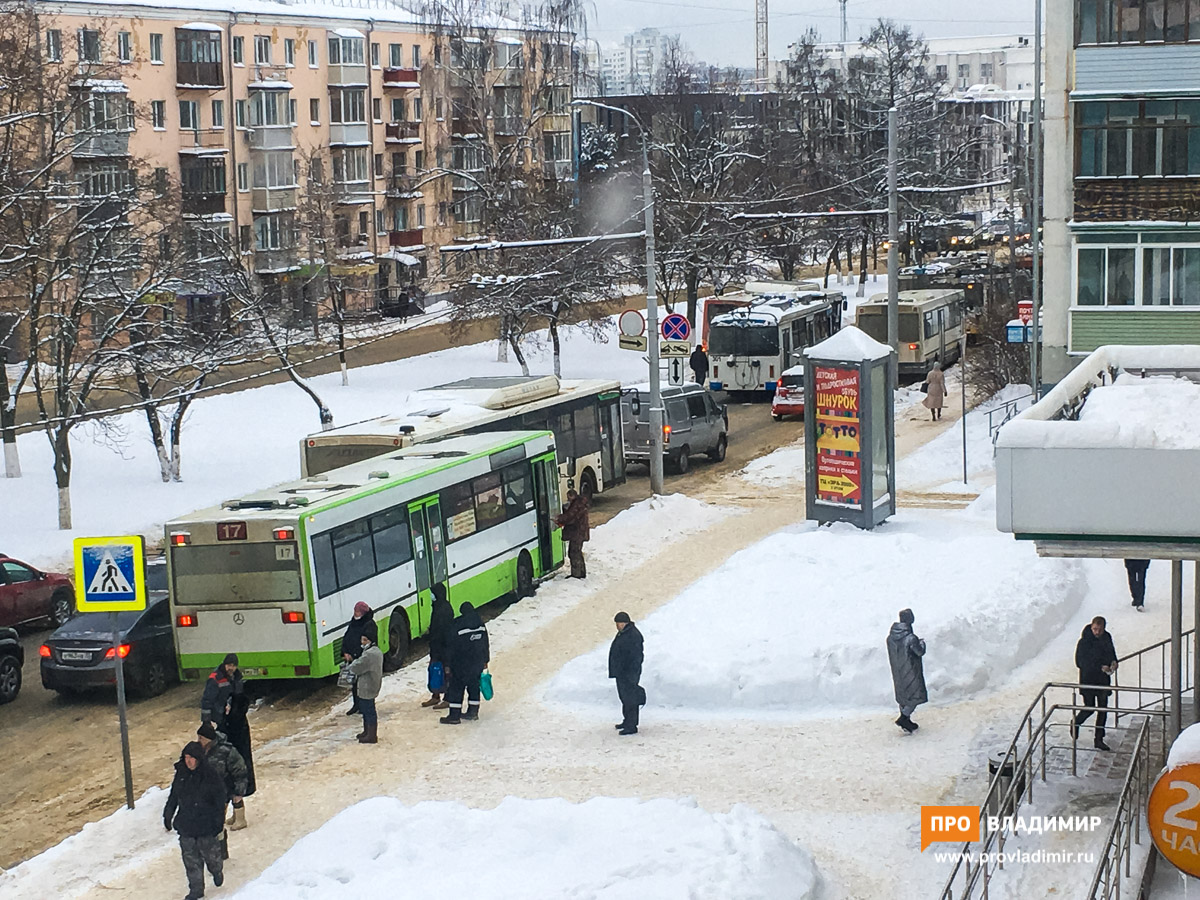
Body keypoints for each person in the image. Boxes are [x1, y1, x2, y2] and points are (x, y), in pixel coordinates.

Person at [163, 741, 227, 900]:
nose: (188, 761)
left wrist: (218, 823)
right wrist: (168, 813)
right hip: (187, 825)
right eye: (186, 757)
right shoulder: (181, 775)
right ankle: (196, 889)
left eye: (192, 758)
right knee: (191, 861)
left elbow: (219, 800)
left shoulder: (211, 775)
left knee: (211, 857)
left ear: (199, 759)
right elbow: (174, 796)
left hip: (206, 826)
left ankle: (216, 870)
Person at [1072, 616, 1118, 752]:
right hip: (1088, 679)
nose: (1097, 632)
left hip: (1103, 680)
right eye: (1095, 629)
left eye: (1099, 629)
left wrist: (1114, 662)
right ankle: (1076, 722)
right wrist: (1099, 666)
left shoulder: (1106, 638)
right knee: (1090, 707)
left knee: (1103, 709)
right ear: (1091, 627)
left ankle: (1099, 739)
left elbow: (1111, 653)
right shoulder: (1084, 641)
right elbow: (1080, 662)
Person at [440, 601, 489, 725]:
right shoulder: (481, 624)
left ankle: (454, 717)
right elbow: (485, 644)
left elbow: (451, 647)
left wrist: (448, 664)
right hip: (477, 663)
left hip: (461, 663)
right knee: (474, 687)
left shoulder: (458, 625)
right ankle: (473, 712)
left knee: (456, 689)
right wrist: (485, 660)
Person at [196, 722, 248, 836]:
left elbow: (239, 769)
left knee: (235, 798)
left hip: (229, 781)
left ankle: (240, 819)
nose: (199, 740)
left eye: (201, 738)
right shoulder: (201, 750)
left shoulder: (226, 750)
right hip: (216, 783)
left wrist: (240, 789)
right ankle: (226, 819)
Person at [887, 608, 928, 734]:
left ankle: (906, 719)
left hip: (898, 671)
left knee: (903, 696)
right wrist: (922, 643)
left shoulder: (891, 637)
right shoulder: (910, 638)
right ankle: (904, 718)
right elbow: (919, 652)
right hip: (911, 671)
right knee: (913, 696)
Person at [343, 631, 384, 744]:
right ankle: (367, 732)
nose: (362, 642)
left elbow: (357, 667)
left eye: (365, 640)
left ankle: (371, 735)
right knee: (368, 709)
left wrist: (351, 664)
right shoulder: (376, 651)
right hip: (373, 683)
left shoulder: (369, 654)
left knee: (368, 710)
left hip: (367, 685)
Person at [222, 693, 256, 828]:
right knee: (232, 785)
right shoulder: (234, 720)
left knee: (236, 787)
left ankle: (240, 818)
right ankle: (237, 815)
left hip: (237, 759)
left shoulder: (236, 722)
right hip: (236, 757)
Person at [609, 611, 645, 736]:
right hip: (622, 672)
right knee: (624, 698)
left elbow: (636, 657)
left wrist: (631, 673)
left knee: (630, 698)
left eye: (619, 623)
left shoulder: (633, 635)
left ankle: (632, 725)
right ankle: (627, 721)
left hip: (629, 673)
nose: (617, 626)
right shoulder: (624, 633)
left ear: (624, 623)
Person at [342, 602, 378, 716]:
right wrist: (345, 651)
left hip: (362, 658)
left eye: (357, 612)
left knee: (363, 683)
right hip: (352, 657)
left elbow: (369, 641)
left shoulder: (369, 624)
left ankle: (364, 706)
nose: (355, 614)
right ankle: (356, 704)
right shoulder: (354, 622)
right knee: (354, 683)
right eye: (354, 611)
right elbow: (347, 636)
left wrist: (358, 653)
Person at [423, 585, 454, 709]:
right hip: (436, 646)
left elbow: (442, 631)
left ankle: (447, 697)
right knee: (434, 670)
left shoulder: (444, 609)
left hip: (443, 647)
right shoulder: (438, 606)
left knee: (446, 671)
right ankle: (435, 695)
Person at [200, 653, 242, 733]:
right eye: (229, 665)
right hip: (218, 717)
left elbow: (238, 696)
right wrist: (206, 721)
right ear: (224, 664)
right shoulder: (215, 678)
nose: (231, 668)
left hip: (231, 717)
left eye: (233, 666)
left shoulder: (237, 678)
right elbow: (207, 700)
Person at [556, 488, 590, 579]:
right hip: (581, 532)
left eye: (568, 497)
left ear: (572, 496)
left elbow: (570, 516)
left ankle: (576, 574)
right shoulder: (581, 503)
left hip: (577, 533)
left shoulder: (576, 505)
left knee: (574, 552)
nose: (568, 500)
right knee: (577, 552)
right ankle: (581, 572)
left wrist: (559, 518)